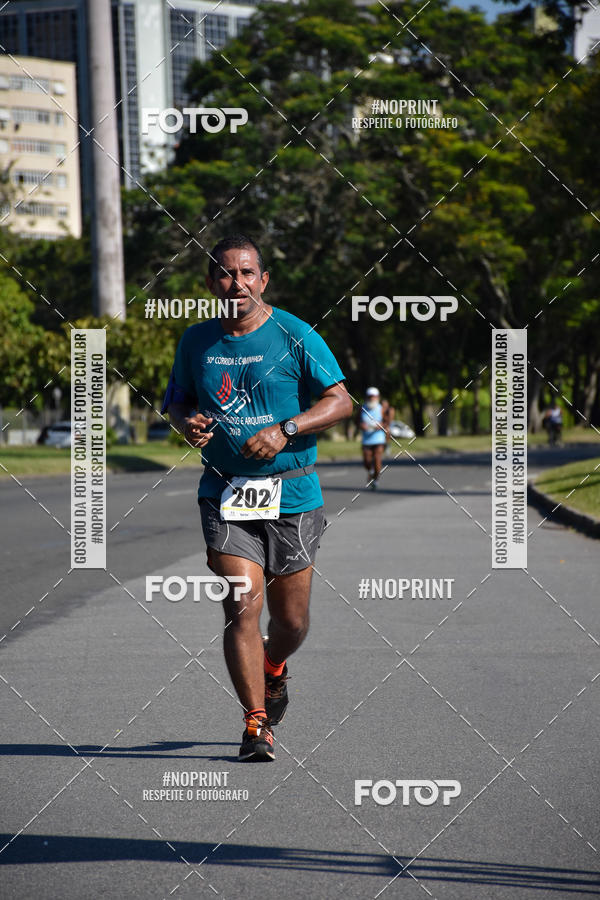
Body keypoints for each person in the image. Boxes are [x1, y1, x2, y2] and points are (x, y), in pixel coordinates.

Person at [162, 234, 352, 762]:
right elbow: (176, 402)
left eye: (247, 273)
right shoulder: (196, 341)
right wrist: (186, 422)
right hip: (224, 492)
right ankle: (255, 724)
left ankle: (274, 667)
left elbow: (339, 402)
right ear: (210, 282)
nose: (236, 283)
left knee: (290, 623)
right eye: (225, 273)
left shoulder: (294, 334)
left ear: (263, 280)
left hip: (293, 494)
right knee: (240, 604)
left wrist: (286, 429)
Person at [357, 387, 392, 489]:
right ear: (367, 397)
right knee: (367, 462)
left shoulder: (382, 409)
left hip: (378, 440)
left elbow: (387, 422)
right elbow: (357, 422)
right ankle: (370, 473)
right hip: (366, 440)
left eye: (374, 397)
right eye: (370, 397)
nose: (372, 399)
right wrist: (361, 426)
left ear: (378, 397)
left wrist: (381, 425)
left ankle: (375, 479)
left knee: (377, 462)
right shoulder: (362, 408)